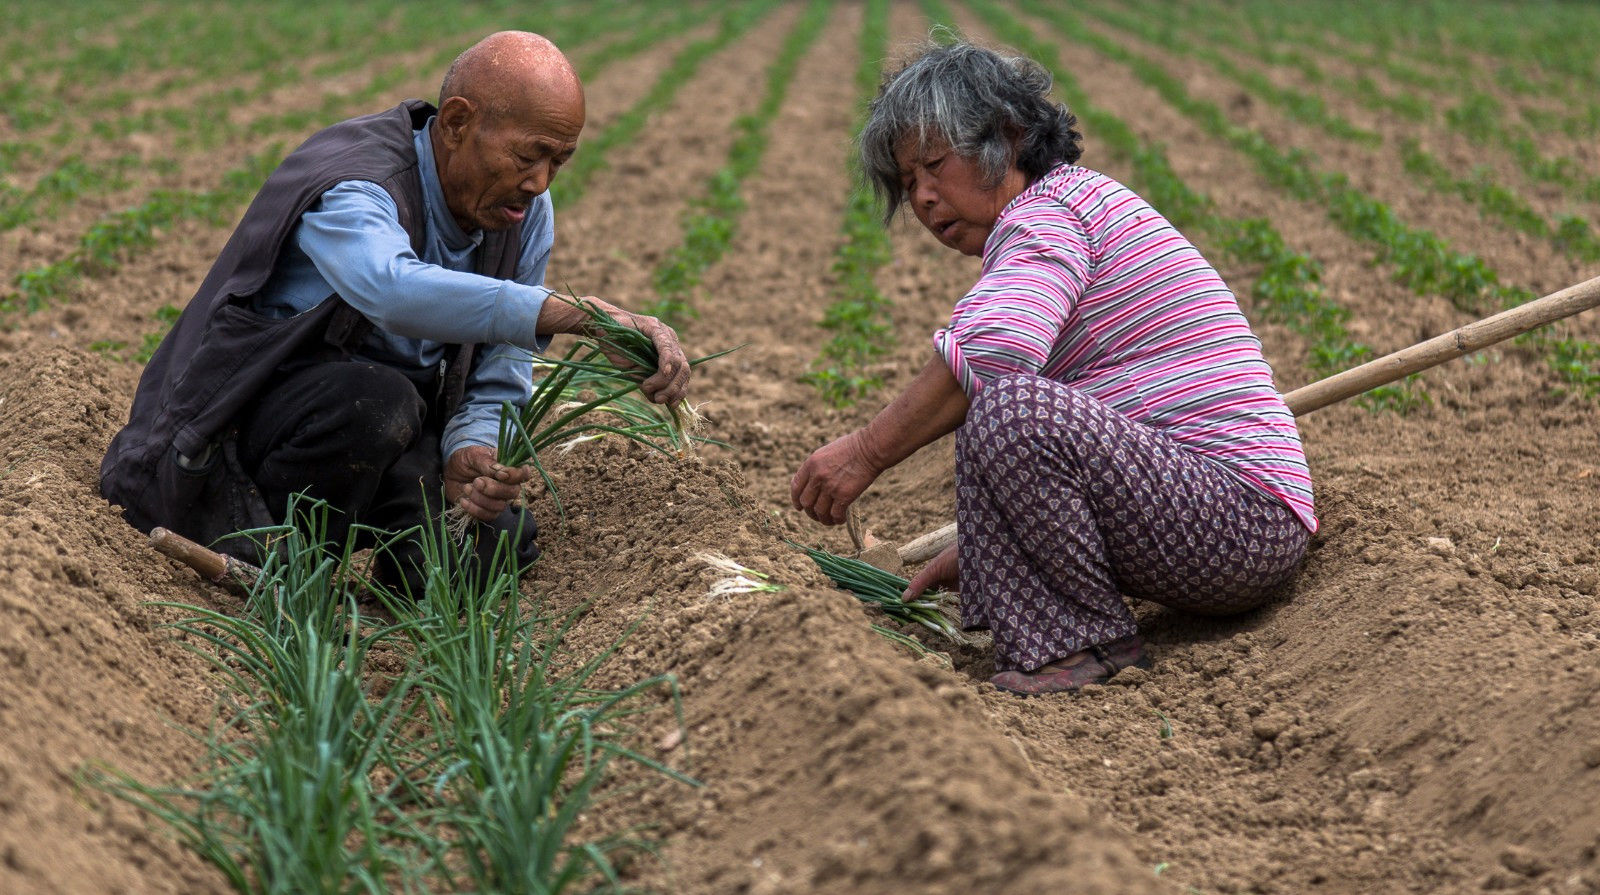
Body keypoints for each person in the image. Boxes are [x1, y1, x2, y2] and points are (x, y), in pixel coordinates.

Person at [791, 41, 1315, 695]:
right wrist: (995, 550)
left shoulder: (1049, 216)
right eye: (908, 184)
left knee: (1010, 407)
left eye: (934, 165)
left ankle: (1086, 644)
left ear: (1006, 138)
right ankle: (1061, 631)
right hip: (1215, 517)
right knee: (1000, 408)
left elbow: (992, 356)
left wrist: (865, 452)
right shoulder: (1064, 207)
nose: (924, 199)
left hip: (1239, 522)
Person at [101, 31, 690, 593]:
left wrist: (471, 448)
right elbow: (391, 289)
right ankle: (264, 561)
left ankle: (370, 582)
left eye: (558, 162)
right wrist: (574, 315)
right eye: (527, 156)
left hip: (378, 439)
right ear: (457, 123)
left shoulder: (521, 214)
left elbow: (499, 374)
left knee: (493, 543)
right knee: (375, 399)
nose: (538, 182)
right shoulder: (357, 181)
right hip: (231, 443)